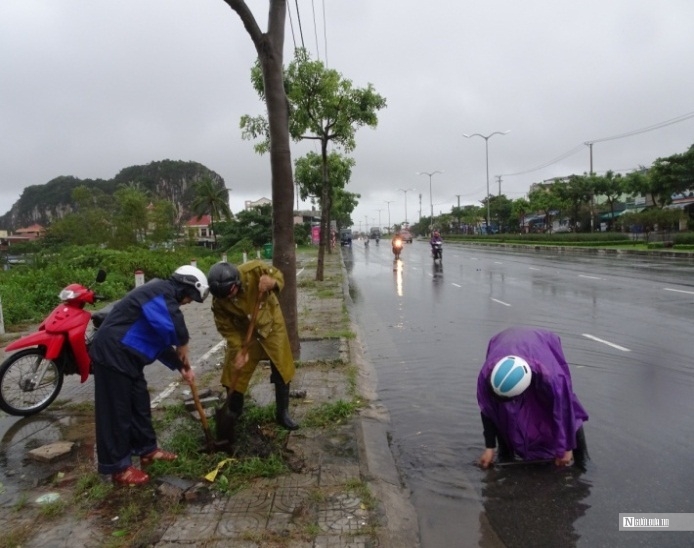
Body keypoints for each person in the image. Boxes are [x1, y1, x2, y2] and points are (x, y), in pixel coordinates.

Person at [89, 265, 209, 486]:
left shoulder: (161, 299)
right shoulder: (158, 292)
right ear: (186, 288)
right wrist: (182, 342)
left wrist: (182, 367)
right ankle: (118, 467)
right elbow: (174, 322)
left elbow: (161, 341)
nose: (188, 303)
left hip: (129, 359)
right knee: (117, 412)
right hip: (112, 354)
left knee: (140, 404)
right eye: (190, 298)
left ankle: (147, 450)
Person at [477, 326, 589, 469]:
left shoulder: (554, 379)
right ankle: (505, 452)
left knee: (559, 405)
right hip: (503, 341)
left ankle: (582, 460)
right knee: (501, 411)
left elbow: (564, 411)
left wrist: (566, 449)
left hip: (541, 345)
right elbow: (487, 410)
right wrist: (489, 447)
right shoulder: (486, 375)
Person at [207, 260, 298, 430]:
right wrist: (239, 349)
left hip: (270, 323)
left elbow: (279, 277)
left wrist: (271, 283)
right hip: (243, 331)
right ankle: (234, 410)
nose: (229, 298)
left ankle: (282, 413)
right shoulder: (218, 302)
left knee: (281, 365)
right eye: (224, 297)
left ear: (236, 282)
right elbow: (226, 328)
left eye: (231, 293)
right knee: (232, 369)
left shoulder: (255, 270)